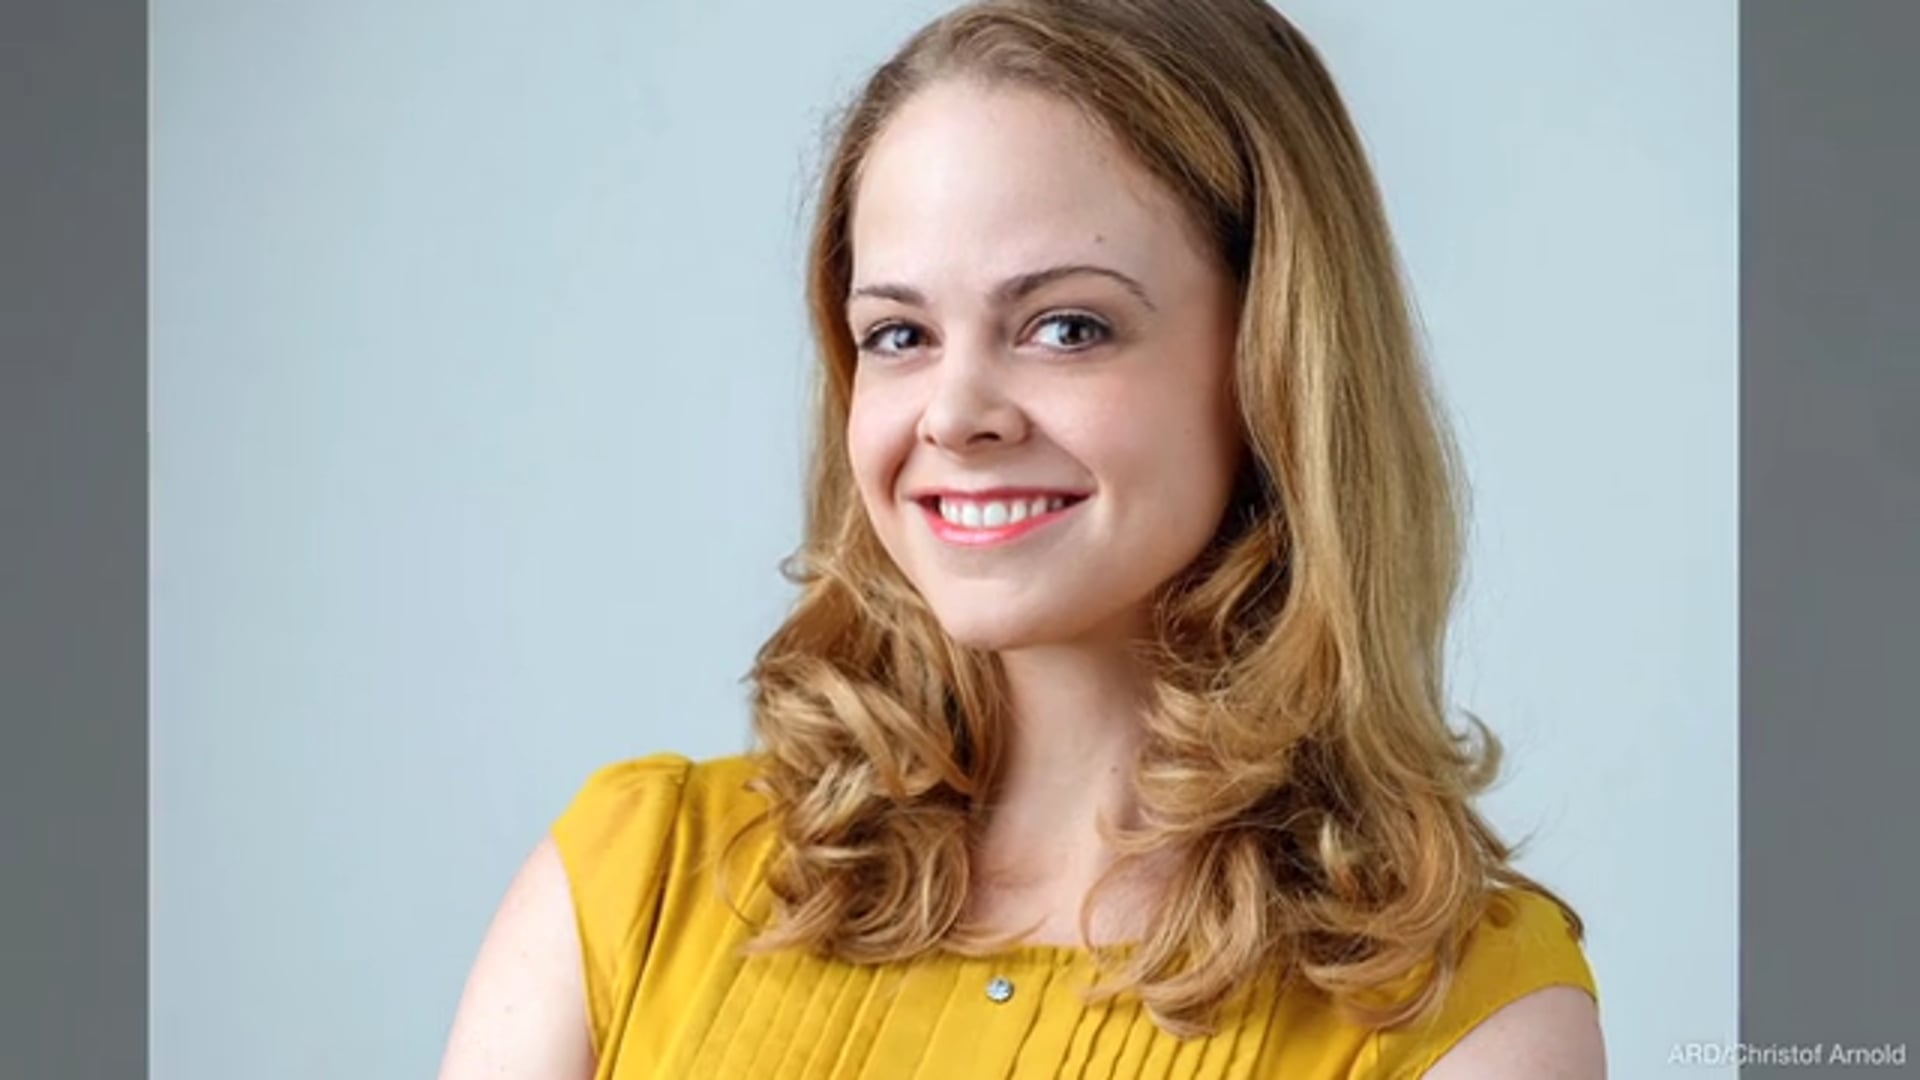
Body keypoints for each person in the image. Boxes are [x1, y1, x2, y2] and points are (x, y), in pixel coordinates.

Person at [436, 0, 1606, 1076]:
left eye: (1067, 326)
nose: (954, 415)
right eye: (899, 335)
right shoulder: (631, 888)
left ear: (1272, 360)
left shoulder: (1466, 1008)